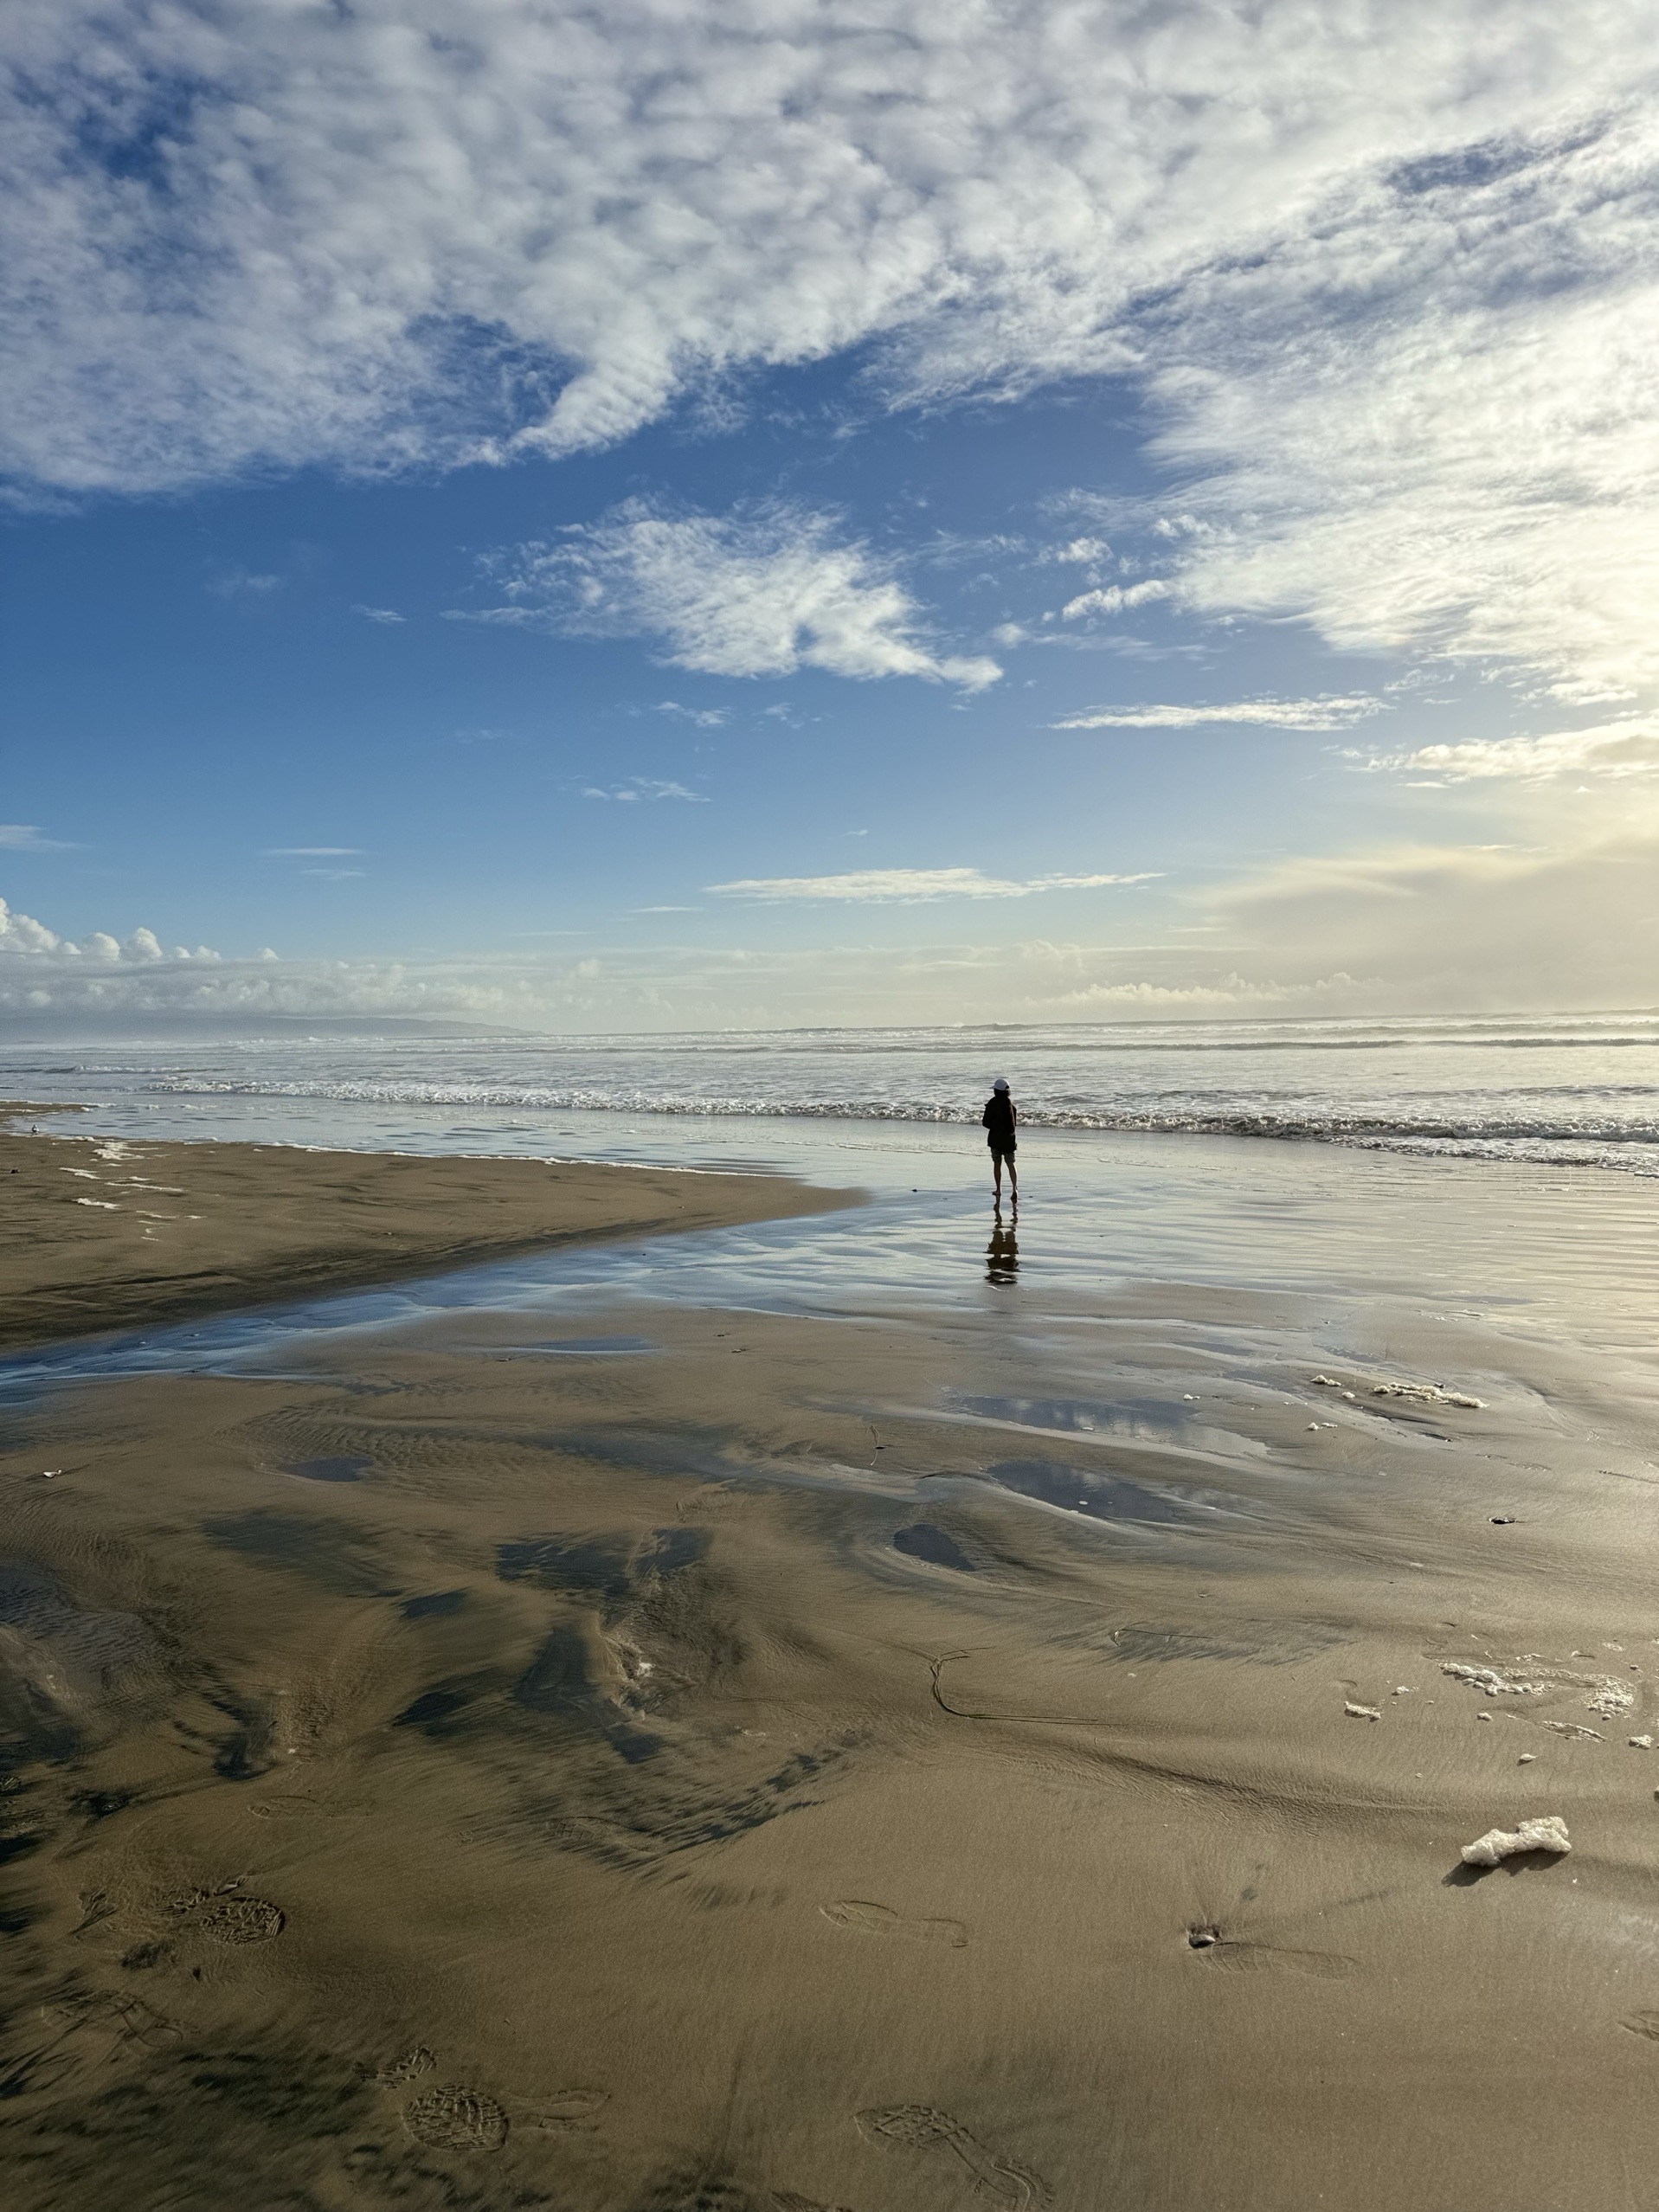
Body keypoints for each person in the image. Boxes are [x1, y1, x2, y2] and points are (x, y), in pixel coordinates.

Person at [981, 1077, 1017, 1206]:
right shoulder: (1011, 1106)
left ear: (996, 1091)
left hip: (995, 1139)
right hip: (1009, 1139)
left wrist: (995, 1126)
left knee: (997, 1164)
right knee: (1011, 1164)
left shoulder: (992, 1103)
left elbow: (986, 1123)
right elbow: (1014, 1125)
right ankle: (1014, 1188)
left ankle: (999, 1189)